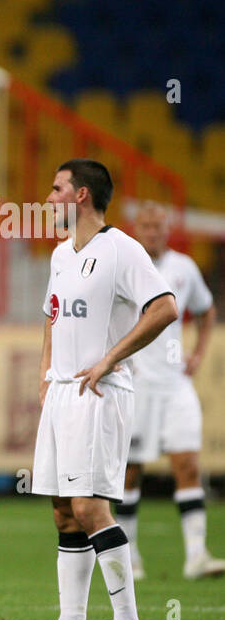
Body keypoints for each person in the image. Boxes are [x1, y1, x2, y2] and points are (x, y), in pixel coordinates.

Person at [16, 159, 177, 620]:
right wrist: (47, 374)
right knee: (64, 510)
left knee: (90, 506)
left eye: (56, 188)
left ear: (81, 195)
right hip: (63, 391)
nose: (49, 198)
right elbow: (52, 315)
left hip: (100, 393)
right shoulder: (62, 254)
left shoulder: (121, 250)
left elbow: (165, 307)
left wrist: (110, 358)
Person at [116, 202, 223, 580]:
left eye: (159, 226)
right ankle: (128, 556)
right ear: (135, 228)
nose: (152, 232)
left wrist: (197, 354)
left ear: (167, 229)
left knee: (188, 464)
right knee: (130, 471)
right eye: (145, 226)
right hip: (137, 384)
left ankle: (196, 555)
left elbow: (206, 309)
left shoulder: (183, 267)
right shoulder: (124, 267)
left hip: (176, 383)